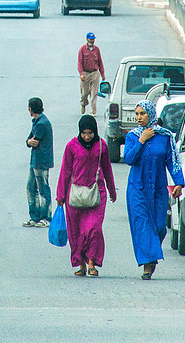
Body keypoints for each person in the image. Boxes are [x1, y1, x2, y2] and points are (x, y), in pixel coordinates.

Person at [124, 99, 185, 280]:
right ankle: (147, 265)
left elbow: (172, 162)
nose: (139, 118)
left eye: (142, 114)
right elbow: (129, 159)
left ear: (151, 114)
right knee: (143, 226)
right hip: (137, 188)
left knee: (159, 226)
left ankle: (151, 257)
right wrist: (141, 141)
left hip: (158, 189)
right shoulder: (133, 136)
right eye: (137, 114)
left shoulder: (165, 137)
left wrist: (179, 183)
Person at [56, 115, 116, 277]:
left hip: (97, 193)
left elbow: (107, 168)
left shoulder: (101, 146)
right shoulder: (71, 146)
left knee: (94, 229)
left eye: (90, 133)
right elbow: (65, 170)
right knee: (76, 232)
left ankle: (92, 263)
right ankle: (81, 264)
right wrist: (60, 195)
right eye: (84, 133)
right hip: (74, 195)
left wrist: (112, 190)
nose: (87, 136)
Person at [23, 97, 54, 228]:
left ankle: (46, 217)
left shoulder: (42, 123)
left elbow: (33, 140)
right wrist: (29, 142)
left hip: (41, 161)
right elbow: (29, 140)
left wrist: (29, 141)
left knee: (42, 189)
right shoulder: (37, 121)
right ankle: (34, 217)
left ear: (30, 108)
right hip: (35, 160)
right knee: (31, 188)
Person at [77, 32, 105, 116]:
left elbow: (100, 62)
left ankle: (92, 111)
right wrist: (81, 73)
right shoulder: (82, 49)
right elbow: (79, 63)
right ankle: (83, 104)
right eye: (90, 39)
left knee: (94, 93)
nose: (92, 41)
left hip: (94, 73)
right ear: (87, 39)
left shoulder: (97, 49)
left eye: (93, 39)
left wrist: (102, 74)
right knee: (84, 93)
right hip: (85, 73)